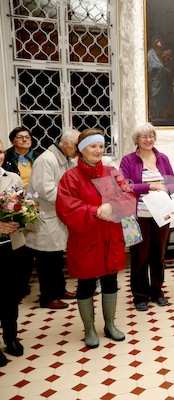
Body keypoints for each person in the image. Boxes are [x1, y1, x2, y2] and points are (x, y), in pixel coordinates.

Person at [56, 128, 136, 349]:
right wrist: (95, 210)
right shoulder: (70, 177)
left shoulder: (112, 172)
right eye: (93, 146)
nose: (98, 150)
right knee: (86, 284)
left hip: (111, 236)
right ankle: (89, 329)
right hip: (86, 239)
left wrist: (112, 206)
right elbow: (66, 207)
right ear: (81, 150)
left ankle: (110, 324)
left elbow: (129, 196)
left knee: (111, 281)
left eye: (101, 146)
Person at [120, 122, 174, 311]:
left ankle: (157, 292)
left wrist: (166, 188)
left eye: (151, 136)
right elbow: (125, 185)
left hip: (161, 214)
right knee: (140, 257)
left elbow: (173, 184)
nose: (149, 140)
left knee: (158, 256)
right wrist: (149, 186)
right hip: (138, 216)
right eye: (144, 136)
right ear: (136, 140)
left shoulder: (162, 158)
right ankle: (140, 296)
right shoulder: (128, 160)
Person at [24, 128, 80, 310]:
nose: (78, 150)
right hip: (45, 217)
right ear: (65, 144)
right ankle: (48, 297)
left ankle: (60, 289)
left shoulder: (66, 159)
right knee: (46, 259)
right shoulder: (46, 160)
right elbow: (45, 190)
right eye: (76, 146)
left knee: (56, 257)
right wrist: (73, 199)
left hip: (58, 215)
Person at [4, 127, 43, 297]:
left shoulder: (38, 156)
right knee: (19, 246)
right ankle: (19, 284)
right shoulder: (6, 157)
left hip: (37, 202)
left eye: (27, 137)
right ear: (13, 141)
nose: (25, 140)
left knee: (35, 243)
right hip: (13, 204)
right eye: (20, 137)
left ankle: (27, 282)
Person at [0, 139, 28, 366]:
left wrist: (19, 222)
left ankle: (11, 338)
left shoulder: (13, 177)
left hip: (11, 246)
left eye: (0, 152)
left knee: (10, 296)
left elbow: (25, 207)